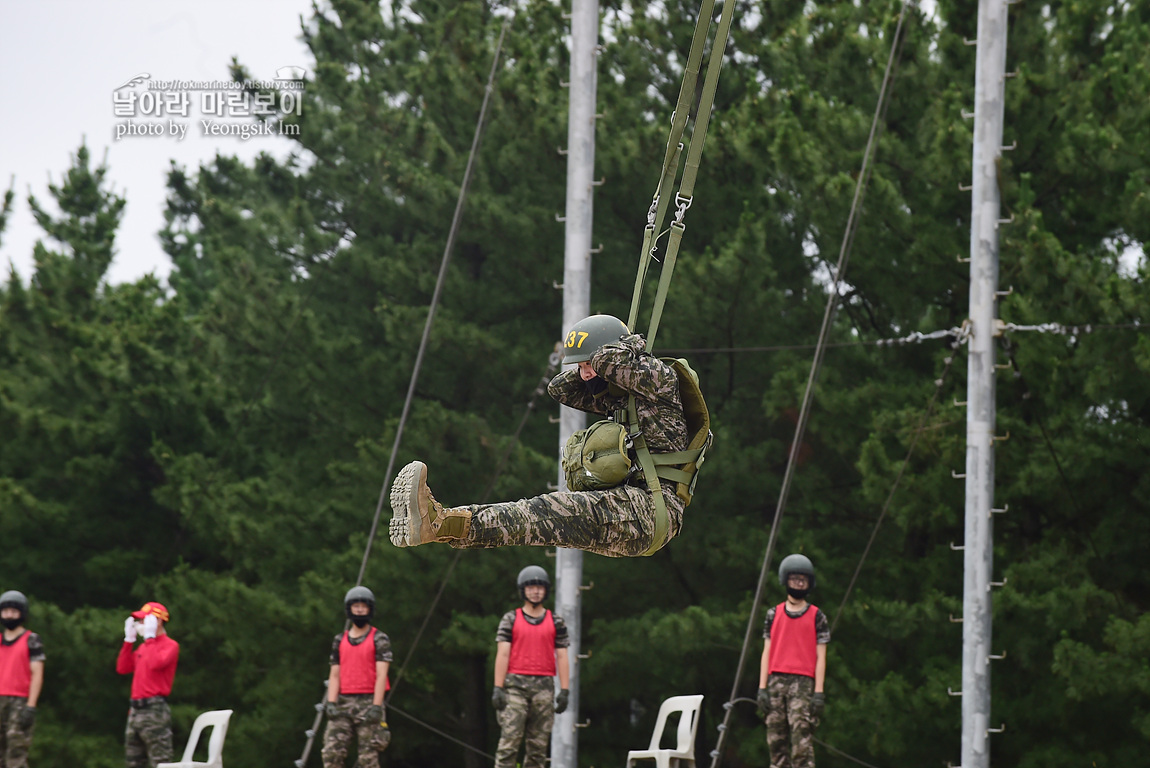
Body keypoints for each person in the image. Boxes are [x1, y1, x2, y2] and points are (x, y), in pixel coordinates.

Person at [390, 314, 705, 557]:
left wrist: (628, 343)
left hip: (653, 510)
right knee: (538, 522)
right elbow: (560, 388)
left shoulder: (660, 382)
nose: (584, 374)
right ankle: (443, 525)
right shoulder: (620, 396)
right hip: (634, 510)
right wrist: (590, 360)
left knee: (546, 511)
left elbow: (607, 362)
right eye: (580, 366)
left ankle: (440, 522)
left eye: (588, 364)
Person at [492, 566, 570, 768]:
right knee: (509, 743)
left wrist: (565, 689)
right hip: (515, 687)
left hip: (544, 688)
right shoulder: (510, 619)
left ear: (546, 590)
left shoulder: (556, 621)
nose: (535, 591)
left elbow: (562, 655)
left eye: (539, 587)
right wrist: (498, 687)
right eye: (531, 587)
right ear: (523, 590)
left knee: (538, 748)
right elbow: (503, 653)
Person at [757, 555, 829, 768]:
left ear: (809, 583)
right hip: (776, 681)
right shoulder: (773, 614)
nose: (799, 583)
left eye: (803, 580)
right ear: (785, 580)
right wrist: (762, 688)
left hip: (803, 684)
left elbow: (821, 657)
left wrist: (818, 692)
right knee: (776, 741)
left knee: (801, 743)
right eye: (795, 578)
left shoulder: (817, 616)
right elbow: (766, 652)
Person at [321, 586, 392, 768]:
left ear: (370, 609)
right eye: (356, 606)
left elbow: (381, 674)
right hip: (343, 701)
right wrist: (331, 702)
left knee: (368, 757)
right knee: (332, 753)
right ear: (349, 609)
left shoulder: (379, 639)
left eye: (363, 606)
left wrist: (376, 706)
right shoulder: (340, 640)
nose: (359, 609)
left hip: (368, 702)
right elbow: (335, 674)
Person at [116, 601, 179, 768]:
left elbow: (156, 663)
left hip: (154, 710)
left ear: (157, 621)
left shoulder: (170, 645)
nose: (140, 624)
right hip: (135, 710)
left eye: (144, 620)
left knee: (161, 761)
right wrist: (128, 641)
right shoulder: (144, 647)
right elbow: (123, 668)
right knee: (134, 762)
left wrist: (150, 639)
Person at [0, 591, 44, 768]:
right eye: (5, 611)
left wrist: (31, 706)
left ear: (21, 613)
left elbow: (37, 674)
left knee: (16, 752)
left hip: (19, 701)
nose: (9, 615)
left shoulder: (31, 640)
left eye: (13, 611)